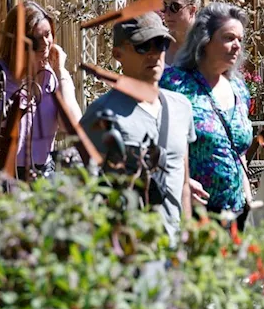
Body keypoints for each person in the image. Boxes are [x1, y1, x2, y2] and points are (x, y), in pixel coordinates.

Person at [81, 13, 195, 238]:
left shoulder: (181, 107)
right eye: (143, 46)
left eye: (160, 44)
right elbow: (84, 190)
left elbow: (182, 182)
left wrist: (189, 237)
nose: (154, 54)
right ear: (118, 54)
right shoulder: (102, 114)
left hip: (174, 251)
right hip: (128, 251)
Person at [161, 3, 253, 227]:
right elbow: (154, 141)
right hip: (193, 213)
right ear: (205, 40)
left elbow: (238, 150)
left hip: (237, 212)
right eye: (229, 37)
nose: (236, 46)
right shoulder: (174, 83)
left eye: (240, 40)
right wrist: (181, 182)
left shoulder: (239, 90)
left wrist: (247, 192)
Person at [0, 1, 79, 180]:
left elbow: (73, 126)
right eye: (36, 39)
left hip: (44, 174)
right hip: (6, 176)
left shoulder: (52, 76)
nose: (45, 43)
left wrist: (61, 71)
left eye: (48, 35)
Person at [161, 0, 202, 67]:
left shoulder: (207, 47)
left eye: (175, 7)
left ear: (192, 10)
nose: (167, 13)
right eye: (164, 6)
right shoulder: (159, 44)